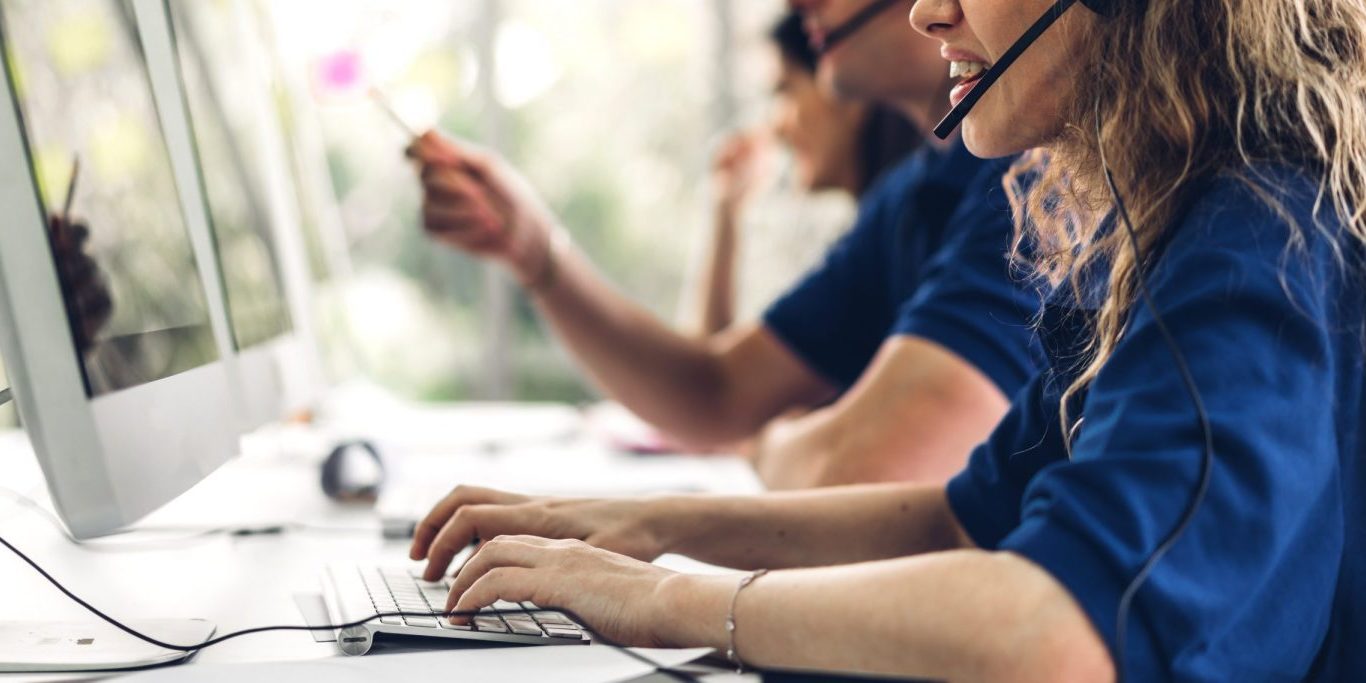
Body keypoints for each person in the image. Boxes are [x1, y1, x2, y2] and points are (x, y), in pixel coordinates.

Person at [406, 0, 1366, 679]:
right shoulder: (1150, 220)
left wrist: (669, 602)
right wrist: (642, 528)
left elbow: (1056, 637)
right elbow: (963, 518)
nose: (926, 11)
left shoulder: (1256, 238)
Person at [408, 0, 1041, 490]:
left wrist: (758, 443)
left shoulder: (1027, 186)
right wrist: (534, 249)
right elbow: (715, 391)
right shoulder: (910, 197)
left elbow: (870, 468)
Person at [688, 12, 918, 336]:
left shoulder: (901, 243)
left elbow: (719, 381)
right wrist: (727, 214)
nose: (775, 126)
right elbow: (726, 371)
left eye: (785, 90)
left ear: (847, 94)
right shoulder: (873, 241)